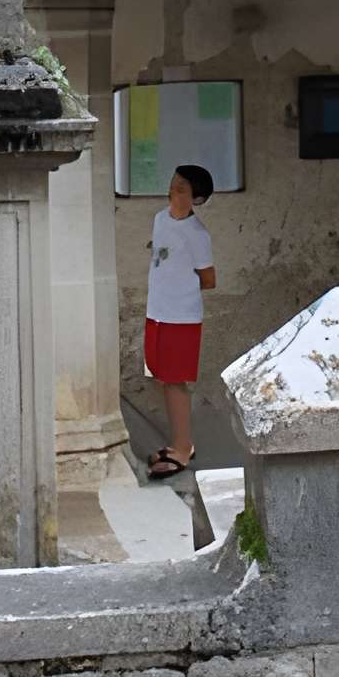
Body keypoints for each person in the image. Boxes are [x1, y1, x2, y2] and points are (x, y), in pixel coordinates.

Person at [144, 162, 215, 480]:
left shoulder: (197, 234)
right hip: (156, 312)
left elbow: (209, 279)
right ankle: (179, 442)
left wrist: (180, 289)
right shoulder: (160, 220)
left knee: (176, 382)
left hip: (181, 317)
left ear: (196, 198)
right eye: (173, 184)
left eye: (182, 188)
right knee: (162, 378)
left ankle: (183, 448)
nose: (174, 191)